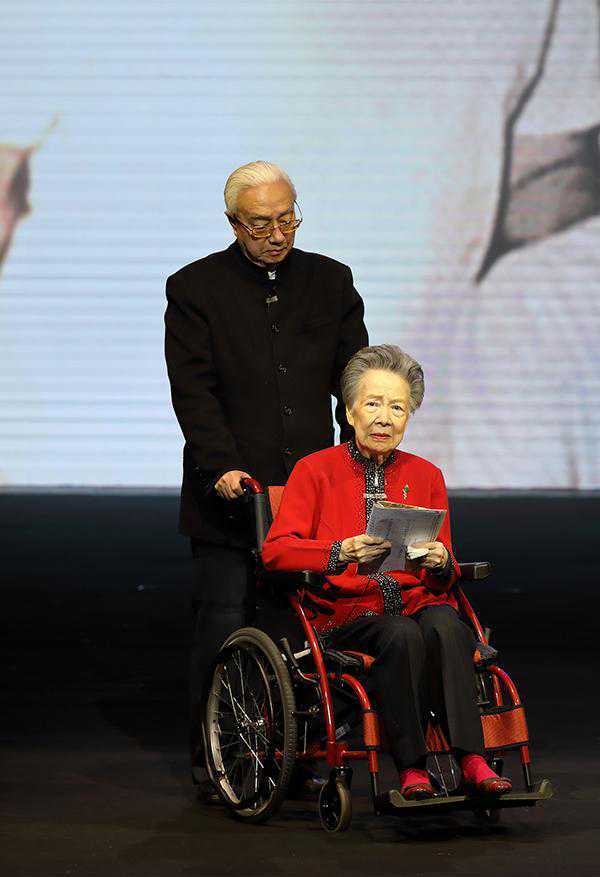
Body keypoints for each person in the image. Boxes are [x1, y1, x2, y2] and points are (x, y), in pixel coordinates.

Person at [164, 161, 368, 789]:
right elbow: (193, 391)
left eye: (287, 219)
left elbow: (353, 380)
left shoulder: (331, 281)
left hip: (307, 492)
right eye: (261, 225)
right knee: (223, 620)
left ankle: (295, 752)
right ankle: (216, 754)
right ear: (233, 223)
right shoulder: (195, 288)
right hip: (229, 490)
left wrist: (356, 457)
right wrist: (221, 465)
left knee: (300, 627)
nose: (277, 234)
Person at [262, 344, 512, 799]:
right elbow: (276, 552)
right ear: (350, 411)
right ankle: (412, 767)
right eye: (373, 404)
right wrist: (339, 551)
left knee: (447, 626)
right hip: (348, 614)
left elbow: (444, 573)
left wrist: (441, 561)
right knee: (401, 634)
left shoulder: (427, 475)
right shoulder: (314, 471)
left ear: (408, 416)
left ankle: (471, 759)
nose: (384, 418)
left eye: (397, 407)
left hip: (417, 601)